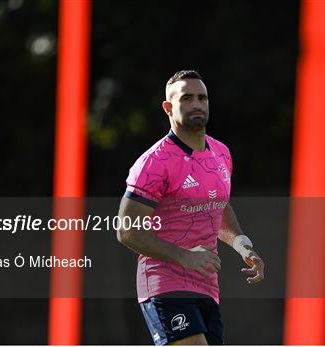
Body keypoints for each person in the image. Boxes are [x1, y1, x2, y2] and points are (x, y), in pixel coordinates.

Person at [116, 70, 264, 345]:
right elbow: (127, 231)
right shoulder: (154, 162)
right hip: (165, 283)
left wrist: (243, 245)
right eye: (187, 98)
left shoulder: (221, 153)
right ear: (168, 108)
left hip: (206, 284)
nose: (197, 104)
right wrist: (182, 256)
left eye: (202, 97)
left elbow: (217, 206)